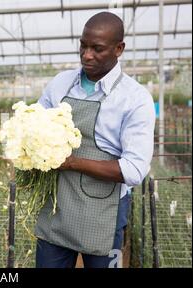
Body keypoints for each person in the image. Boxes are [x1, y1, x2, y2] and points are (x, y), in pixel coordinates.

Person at [36, 12, 155, 268]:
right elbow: (35, 126)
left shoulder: (134, 98)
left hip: (105, 213)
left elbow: (134, 170)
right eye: (83, 45)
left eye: (97, 49)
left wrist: (71, 163)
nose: (86, 55)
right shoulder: (61, 84)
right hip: (57, 206)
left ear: (119, 49)